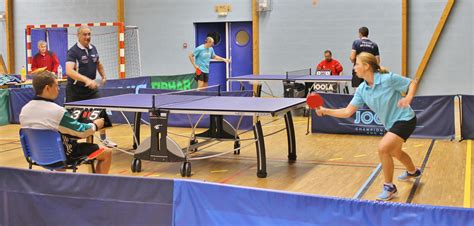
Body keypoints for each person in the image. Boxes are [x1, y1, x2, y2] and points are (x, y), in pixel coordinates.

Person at [315, 52, 421, 201]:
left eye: (356, 64)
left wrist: (408, 97)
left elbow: (412, 82)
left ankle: (389, 187)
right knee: (396, 152)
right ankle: (413, 171)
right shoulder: (362, 90)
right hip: (391, 124)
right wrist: (325, 111)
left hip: (405, 119)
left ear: (366, 66)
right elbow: (347, 112)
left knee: (383, 148)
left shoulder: (387, 79)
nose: (354, 68)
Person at [20, 70, 112, 174]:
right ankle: (98, 189)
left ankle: (60, 182)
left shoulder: (24, 110)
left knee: (59, 146)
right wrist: (95, 125)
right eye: (56, 86)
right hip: (63, 156)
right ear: (47, 88)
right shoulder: (57, 112)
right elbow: (82, 132)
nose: (58, 89)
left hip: (35, 155)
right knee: (107, 152)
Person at [65, 26, 117, 148]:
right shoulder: (73, 52)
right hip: (75, 91)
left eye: (89, 34)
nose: (87, 37)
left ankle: (104, 139)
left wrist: (103, 75)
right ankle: (71, 142)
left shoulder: (93, 48)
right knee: (73, 117)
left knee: (101, 112)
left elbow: (98, 63)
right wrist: (86, 80)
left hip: (91, 90)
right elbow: (69, 71)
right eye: (85, 34)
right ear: (78, 35)